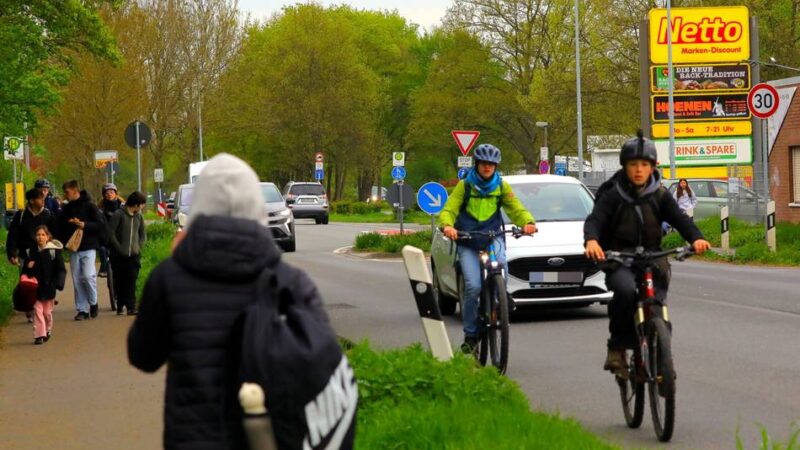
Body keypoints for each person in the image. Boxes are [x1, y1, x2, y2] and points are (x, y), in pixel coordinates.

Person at [128, 153, 329, 449]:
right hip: (273, 437)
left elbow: (143, 356)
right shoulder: (291, 283)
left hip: (193, 438)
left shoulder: (169, 278)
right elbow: (322, 363)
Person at [583, 131, 712, 371]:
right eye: (633, 164)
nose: (639, 170)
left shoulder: (660, 195)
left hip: (652, 256)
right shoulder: (613, 194)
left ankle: (659, 349)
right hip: (620, 257)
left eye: (644, 164)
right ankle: (618, 347)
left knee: (657, 301)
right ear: (625, 166)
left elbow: (681, 219)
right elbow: (595, 221)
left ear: (652, 166)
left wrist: (697, 238)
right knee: (624, 292)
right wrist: (592, 241)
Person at [439, 144, 537, 354]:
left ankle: (501, 296)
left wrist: (528, 222)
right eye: (484, 163)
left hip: (493, 237)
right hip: (467, 240)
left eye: (491, 164)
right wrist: (448, 226)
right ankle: (471, 335)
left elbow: (516, 208)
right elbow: (449, 209)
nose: (487, 167)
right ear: (477, 164)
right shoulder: (465, 186)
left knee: (500, 265)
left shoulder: (501, 186)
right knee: (473, 286)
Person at [6, 188, 58, 323]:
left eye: (43, 197)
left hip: (44, 254)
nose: (43, 200)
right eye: (40, 198)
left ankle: (41, 308)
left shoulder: (48, 214)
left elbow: (54, 233)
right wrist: (12, 253)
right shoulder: (21, 215)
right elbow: (13, 235)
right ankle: (30, 308)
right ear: (32, 201)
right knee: (28, 282)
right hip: (26, 254)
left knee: (43, 280)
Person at [57, 180, 106, 321]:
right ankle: (82, 309)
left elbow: (100, 224)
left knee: (88, 276)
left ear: (74, 190)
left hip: (89, 246)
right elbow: (60, 226)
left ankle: (93, 302)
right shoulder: (66, 209)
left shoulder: (90, 206)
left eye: (67, 192)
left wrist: (84, 225)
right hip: (73, 247)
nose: (65, 195)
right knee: (77, 279)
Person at [23, 225, 66, 345]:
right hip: (35, 288)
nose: (40, 237)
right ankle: (39, 335)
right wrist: (28, 268)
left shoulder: (53, 251)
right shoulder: (31, 252)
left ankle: (47, 330)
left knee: (46, 312)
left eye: (43, 235)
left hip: (49, 287)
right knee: (37, 310)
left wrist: (59, 283)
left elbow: (61, 269)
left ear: (48, 237)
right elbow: (25, 272)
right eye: (38, 235)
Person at [107, 191, 146, 315]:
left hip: (134, 256)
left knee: (131, 280)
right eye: (141, 204)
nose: (142, 207)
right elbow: (111, 233)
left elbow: (142, 235)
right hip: (118, 256)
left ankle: (131, 306)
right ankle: (120, 305)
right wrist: (119, 248)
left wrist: (139, 247)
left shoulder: (139, 217)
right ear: (135, 204)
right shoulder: (118, 215)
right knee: (119, 281)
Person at [97, 183, 124, 278]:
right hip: (105, 235)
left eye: (111, 192)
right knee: (102, 249)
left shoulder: (122, 206)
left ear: (115, 193)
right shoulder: (100, 207)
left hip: (118, 234)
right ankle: (104, 268)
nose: (109, 194)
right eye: (107, 193)